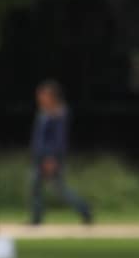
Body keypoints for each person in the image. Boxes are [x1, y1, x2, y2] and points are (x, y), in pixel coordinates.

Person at [29, 79, 92, 225]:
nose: (39, 98)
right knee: (35, 186)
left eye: (42, 95)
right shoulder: (44, 112)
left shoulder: (58, 113)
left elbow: (58, 139)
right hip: (40, 156)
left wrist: (51, 158)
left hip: (50, 156)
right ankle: (36, 218)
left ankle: (84, 208)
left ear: (52, 96)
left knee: (59, 188)